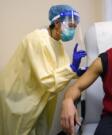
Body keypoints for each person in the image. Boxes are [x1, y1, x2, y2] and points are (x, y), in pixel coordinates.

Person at [0, 4, 87, 135]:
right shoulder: (37, 40)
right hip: (19, 98)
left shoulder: (57, 44)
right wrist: (72, 68)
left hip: (37, 98)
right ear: (57, 23)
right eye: (70, 26)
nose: (73, 31)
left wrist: (76, 71)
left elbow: (60, 70)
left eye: (74, 27)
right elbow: (48, 81)